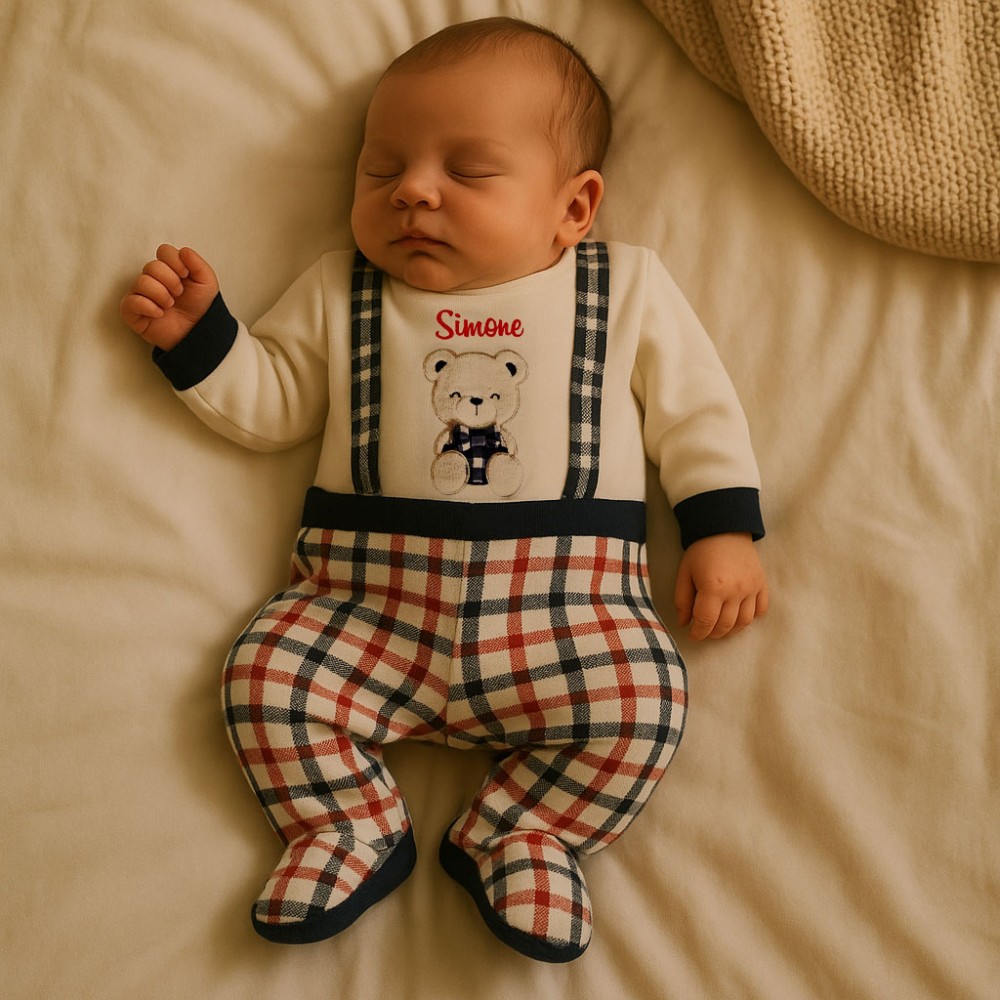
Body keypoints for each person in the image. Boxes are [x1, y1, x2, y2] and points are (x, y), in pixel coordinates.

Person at [120, 16, 768, 963]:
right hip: (364, 608)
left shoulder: (621, 288)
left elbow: (696, 413)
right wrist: (202, 340)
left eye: (467, 172)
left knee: (644, 700)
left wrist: (721, 531)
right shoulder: (343, 291)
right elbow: (272, 403)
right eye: (382, 171)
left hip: (569, 615)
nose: (414, 191)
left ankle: (522, 833)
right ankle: (347, 824)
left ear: (574, 208)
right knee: (266, 678)